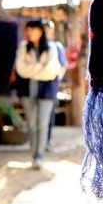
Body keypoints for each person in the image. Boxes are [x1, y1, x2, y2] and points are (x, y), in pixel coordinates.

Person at [14, 20, 62, 169]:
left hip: (46, 90)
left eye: (32, 30)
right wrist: (40, 68)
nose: (29, 33)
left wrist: (31, 71)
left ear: (40, 31)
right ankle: (34, 154)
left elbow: (51, 71)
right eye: (28, 30)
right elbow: (20, 69)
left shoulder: (51, 47)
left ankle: (38, 156)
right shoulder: (23, 47)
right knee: (32, 123)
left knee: (42, 123)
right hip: (27, 90)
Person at [43, 20, 68, 152]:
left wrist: (56, 79)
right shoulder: (38, 45)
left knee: (49, 115)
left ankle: (47, 141)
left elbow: (63, 66)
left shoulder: (56, 46)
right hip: (39, 84)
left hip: (51, 85)